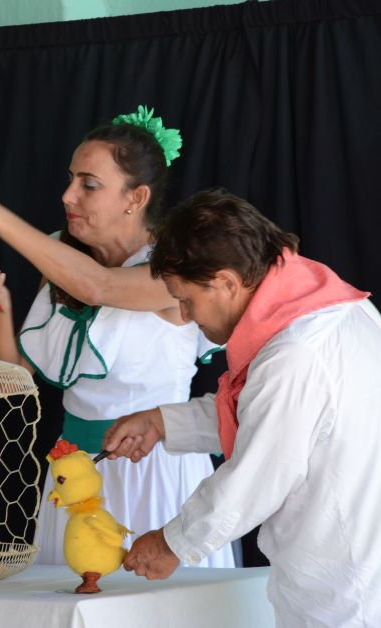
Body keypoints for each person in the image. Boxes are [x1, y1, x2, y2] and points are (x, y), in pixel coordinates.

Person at [0, 107, 234, 567]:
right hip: (76, 473)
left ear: (135, 197)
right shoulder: (65, 257)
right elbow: (14, 381)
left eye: (89, 184)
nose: (68, 195)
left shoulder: (174, 268)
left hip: (155, 473)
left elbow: (100, 288)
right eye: (70, 179)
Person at [105, 188, 381, 627]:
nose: (186, 313)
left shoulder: (294, 354)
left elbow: (256, 476)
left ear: (228, 282)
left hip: (343, 598)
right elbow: (272, 419)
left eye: (187, 299)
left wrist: (171, 542)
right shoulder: (333, 309)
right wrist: (161, 422)